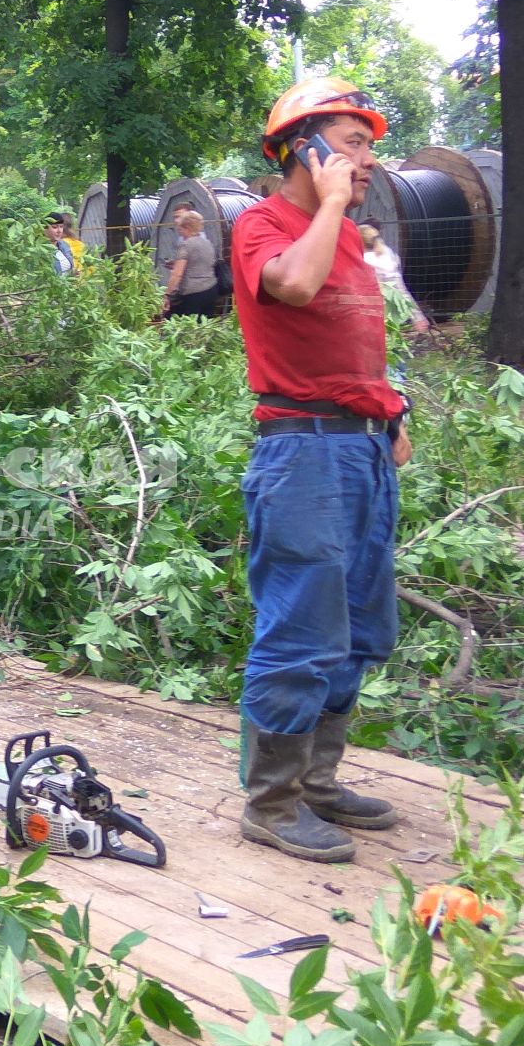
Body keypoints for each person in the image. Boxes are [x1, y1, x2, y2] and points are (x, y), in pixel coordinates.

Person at [227, 76, 412, 863]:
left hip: (360, 450)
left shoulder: (345, 236)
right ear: (300, 149)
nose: (367, 159)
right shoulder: (263, 226)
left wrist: (387, 411)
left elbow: (347, 339)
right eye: (351, 144)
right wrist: (331, 204)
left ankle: (315, 783)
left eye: (369, 145)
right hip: (300, 453)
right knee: (301, 629)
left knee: (362, 628)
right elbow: (294, 288)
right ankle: (270, 803)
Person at [358, 221, 431, 333]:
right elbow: (402, 290)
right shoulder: (387, 253)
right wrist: (418, 317)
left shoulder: (365, 259)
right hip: (392, 309)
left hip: (374, 310)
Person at [161, 209, 223, 318]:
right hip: (211, 289)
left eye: (181, 229)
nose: (180, 232)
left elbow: (177, 274)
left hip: (192, 293)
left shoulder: (186, 245)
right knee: (205, 326)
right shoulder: (208, 243)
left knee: (185, 326)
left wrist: (167, 295)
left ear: (187, 228)